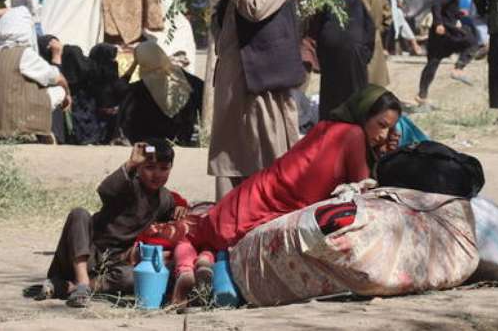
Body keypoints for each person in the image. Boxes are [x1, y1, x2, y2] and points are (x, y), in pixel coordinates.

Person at [130, 85, 401, 259]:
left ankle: (138, 242)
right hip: (261, 208)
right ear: (365, 114)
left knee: (199, 231)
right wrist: (385, 156)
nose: (384, 134)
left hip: (251, 197)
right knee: (205, 235)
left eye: (390, 129)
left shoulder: (329, 126)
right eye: (382, 125)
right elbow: (366, 193)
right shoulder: (352, 136)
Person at [209, 0, 305, 200]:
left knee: (268, 149)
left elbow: (256, 7)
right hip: (232, 75)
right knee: (230, 151)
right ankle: (229, 213)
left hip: (263, 80)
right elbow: (222, 19)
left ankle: (269, 210)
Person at [37, 141, 179, 307]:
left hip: (113, 265)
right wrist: (130, 164)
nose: (157, 174)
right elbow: (106, 190)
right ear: (140, 168)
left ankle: (71, 287)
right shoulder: (129, 184)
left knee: (134, 277)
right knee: (79, 214)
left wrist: (180, 209)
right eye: (150, 167)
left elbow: (172, 217)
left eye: (164, 168)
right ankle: (82, 282)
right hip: (84, 252)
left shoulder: (165, 199)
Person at [0, 7, 71, 138]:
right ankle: (30, 131)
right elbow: (56, 77)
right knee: (58, 90)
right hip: (17, 116)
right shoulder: (23, 54)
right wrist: (67, 93)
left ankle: (2, 132)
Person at [308, 0, 375, 119]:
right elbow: (370, 31)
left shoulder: (328, 3)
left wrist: (322, 58)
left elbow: (315, 31)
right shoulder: (357, 3)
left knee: (331, 95)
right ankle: (356, 126)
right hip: (354, 54)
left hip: (331, 53)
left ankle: (330, 129)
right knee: (356, 93)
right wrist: (365, 56)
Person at [416, 0, 479, 107]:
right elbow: (437, 5)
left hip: (440, 32)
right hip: (445, 31)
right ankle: (458, 68)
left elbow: (445, 9)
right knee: (472, 42)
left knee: (433, 62)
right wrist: (439, 23)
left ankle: (422, 96)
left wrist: (457, 13)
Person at [118, 41, 203, 145]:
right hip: (182, 139)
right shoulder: (185, 78)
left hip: (150, 143)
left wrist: (132, 68)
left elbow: (119, 93)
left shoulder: (138, 90)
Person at [359, 0, 392, 87]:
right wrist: (380, 29)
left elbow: (365, 17)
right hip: (376, 37)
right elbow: (388, 16)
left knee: (368, 77)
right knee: (378, 77)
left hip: (366, 39)